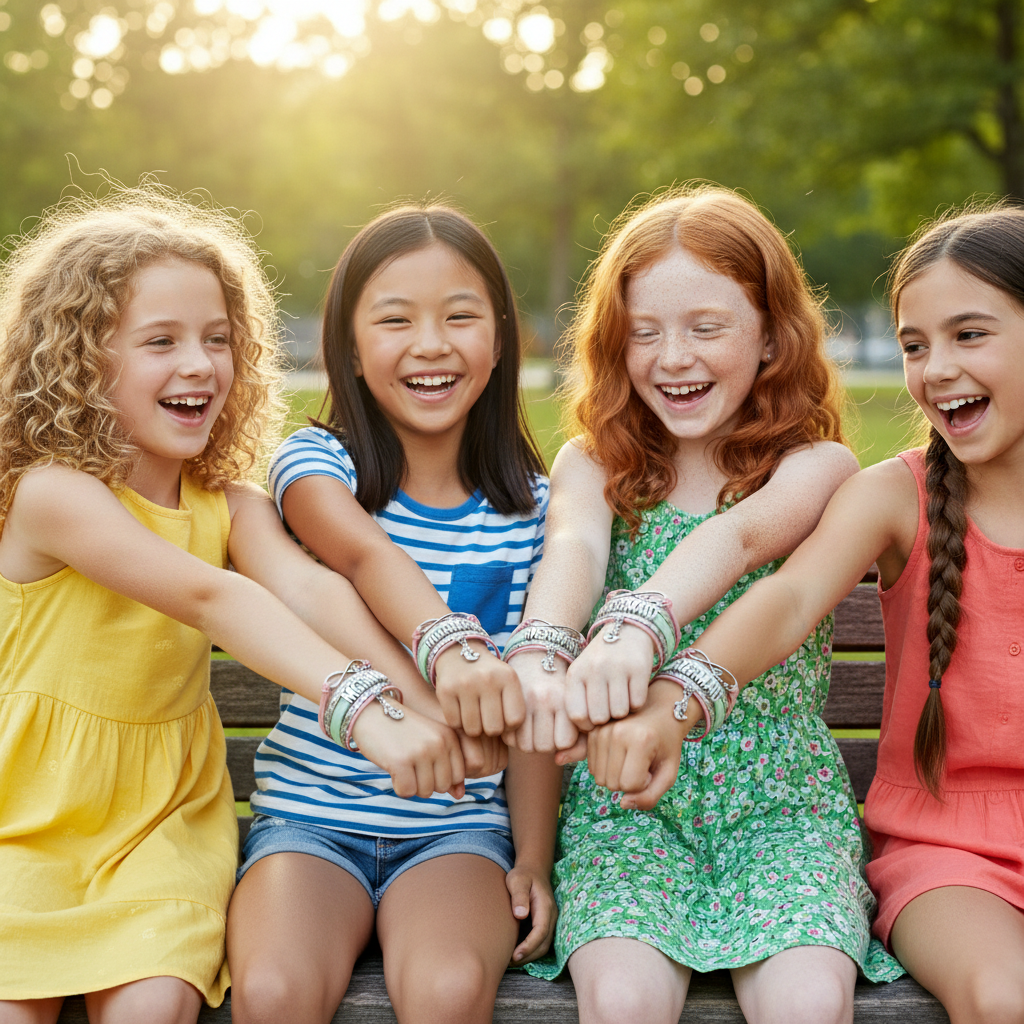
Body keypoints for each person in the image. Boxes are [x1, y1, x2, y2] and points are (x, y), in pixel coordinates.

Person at [0, 187, 467, 1024]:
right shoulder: (53, 495)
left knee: (157, 1006)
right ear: (78, 358)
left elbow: (310, 588)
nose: (200, 365)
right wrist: (363, 709)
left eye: (219, 340)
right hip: (22, 820)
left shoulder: (226, 501)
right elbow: (210, 597)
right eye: (160, 342)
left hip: (160, 825)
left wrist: (424, 693)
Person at [622, 205, 1024, 1023]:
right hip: (949, 853)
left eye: (969, 336)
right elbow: (787, 599)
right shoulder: (893, 496)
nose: (936, 368)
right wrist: (678, 702)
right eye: (915, 345)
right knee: (1004, 997)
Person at [511, 186, 903, 1023]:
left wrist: (631, 629)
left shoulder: (815, 467)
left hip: (780, 813)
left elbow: (739, 541)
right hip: (626, 815)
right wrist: (543, 650)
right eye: (644, 333)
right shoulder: (595, 463)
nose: (672, 358)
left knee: (808, 1002)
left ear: (770, 334)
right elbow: (574, 549)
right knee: (620, 1002)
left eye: (706, 327)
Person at [226, 205, 561, 1024]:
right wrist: (447, 648)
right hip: (310, 821)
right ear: (348, 344)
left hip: (456, 834)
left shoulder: (535, 514)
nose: (431, 344)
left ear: (501, 336)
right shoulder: (318, 466)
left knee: (447, 992)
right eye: (395, 319)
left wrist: (534, 859)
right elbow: (360, 556)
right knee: (273, 994)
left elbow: (529, 708)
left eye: (460, 316)